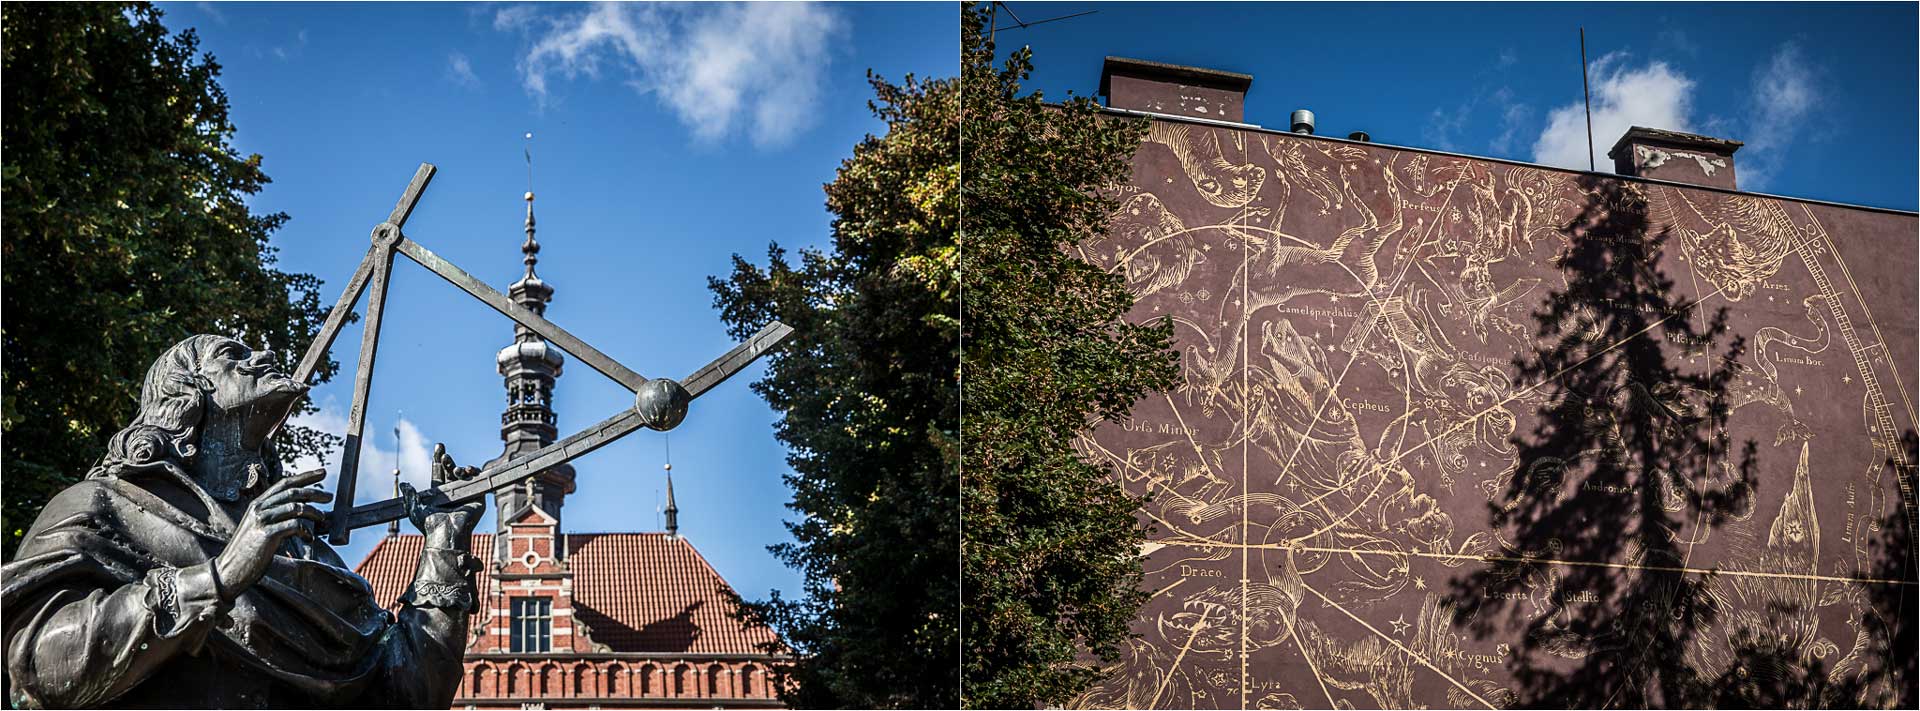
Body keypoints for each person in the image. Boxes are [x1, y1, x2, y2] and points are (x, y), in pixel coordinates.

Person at [2, 334, 485, 708]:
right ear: (187, 393)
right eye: (233, 354)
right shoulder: (104, 507)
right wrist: (222, 574)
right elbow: (39, 668)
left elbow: (407, 698)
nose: (264, 354)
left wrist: (444, 547)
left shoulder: (301, 548)